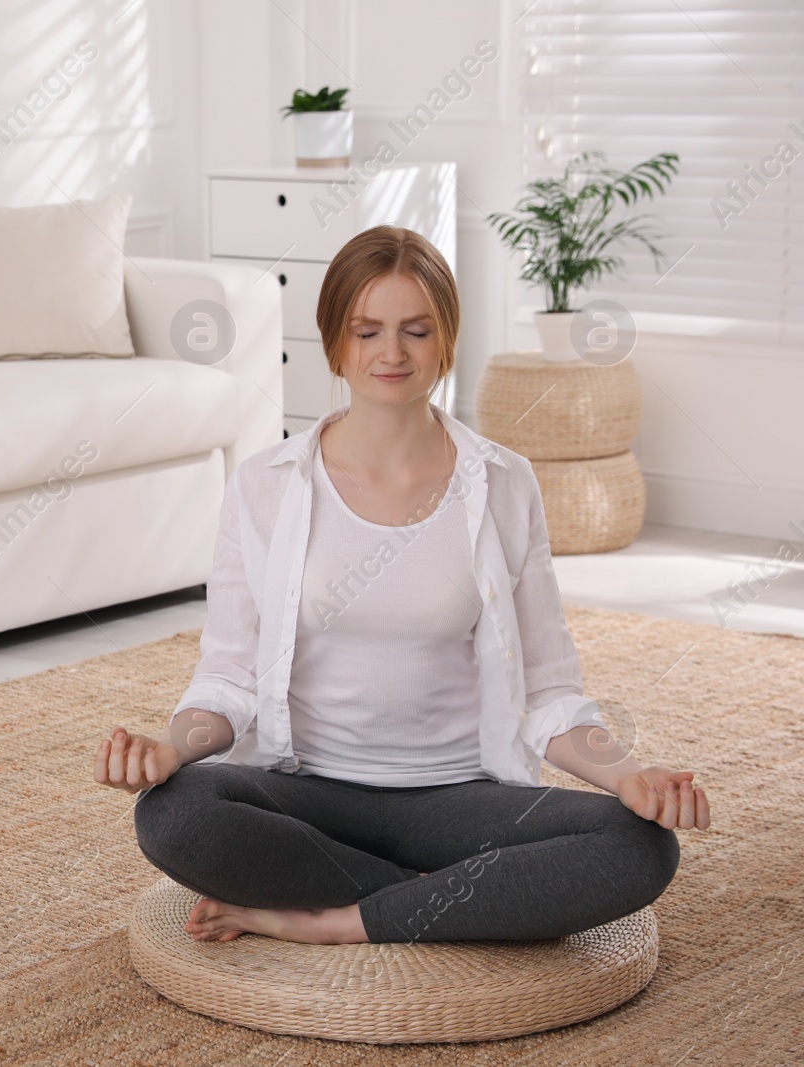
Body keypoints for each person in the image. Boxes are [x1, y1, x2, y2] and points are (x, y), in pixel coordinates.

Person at [93, 225, 709, 946]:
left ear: (446, 338)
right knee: (173, 813)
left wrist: (630, 777)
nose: (392, 354)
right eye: (368, 331)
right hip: (308, 793)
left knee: (640, 845)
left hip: (459, 799)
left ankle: (339, 919)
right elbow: (228, 672)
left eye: (416, 330)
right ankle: (456, 905)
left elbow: (548, 691)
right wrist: (172, 748)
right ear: (334, 341)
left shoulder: (505, 484)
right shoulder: (264, 485)